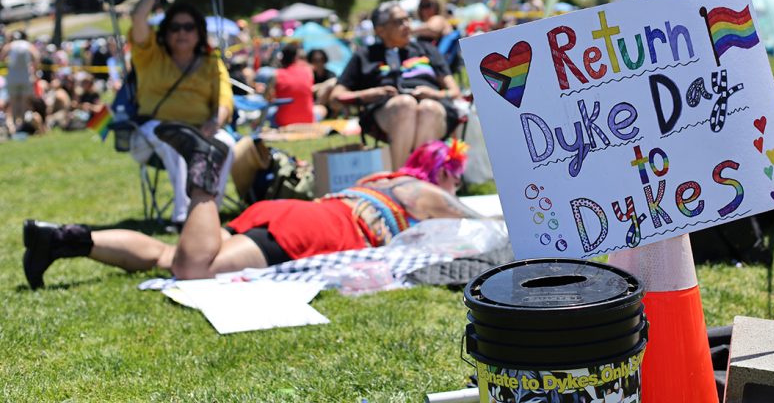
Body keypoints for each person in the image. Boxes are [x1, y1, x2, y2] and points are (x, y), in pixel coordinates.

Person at [22, 137, 481, 288]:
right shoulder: (422, 191)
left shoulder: (381, 181)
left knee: (170, 256)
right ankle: (204, 176)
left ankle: (63, 240)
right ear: (440, 170)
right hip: (319, 231)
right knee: (193, 270)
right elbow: (482, 227)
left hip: (294, 214)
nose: (455, 184)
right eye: (453, 174)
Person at [127, 0, 236, 226]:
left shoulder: (211, 62)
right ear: (165, 33)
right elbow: (138, 19)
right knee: (175, 141)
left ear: (199, 33)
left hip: (202, 130)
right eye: (175, 27)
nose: (182, 32)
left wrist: (215, 123)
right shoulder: (150, 55)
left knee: (227, 144)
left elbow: (224, 99)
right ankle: (184, 217)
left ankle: (208, 213)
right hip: (150, 133)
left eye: (188, 27)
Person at [330, 1, 462, 169]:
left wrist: (434, 94)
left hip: (435, 108)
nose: (407, 25)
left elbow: (454, 91)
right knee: (405, 104)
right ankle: (400, 176)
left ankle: (419, 175)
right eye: (399, 22)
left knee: (428, 108)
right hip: (387, 111)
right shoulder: (365, 55)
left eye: (408, 19)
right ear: (380, 30)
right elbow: (336, 96)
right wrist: (369, 94)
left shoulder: (426, 49)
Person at [266, 42, 316, 126]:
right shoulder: (308, 71)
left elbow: (267, 98)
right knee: (321, 110)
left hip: (284, 121)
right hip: (307, 120)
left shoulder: (276, 74)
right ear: (296, 57)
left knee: (270, 111)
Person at [0, 31, 40, 134]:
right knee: (23, 102)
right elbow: (36, 57)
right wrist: (34, 71)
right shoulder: (28, 45)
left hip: (12, 77)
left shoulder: (10, 45)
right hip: (25, 76)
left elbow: (2, 57)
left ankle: (14, 125)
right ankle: (21, 125)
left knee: (13, 102)